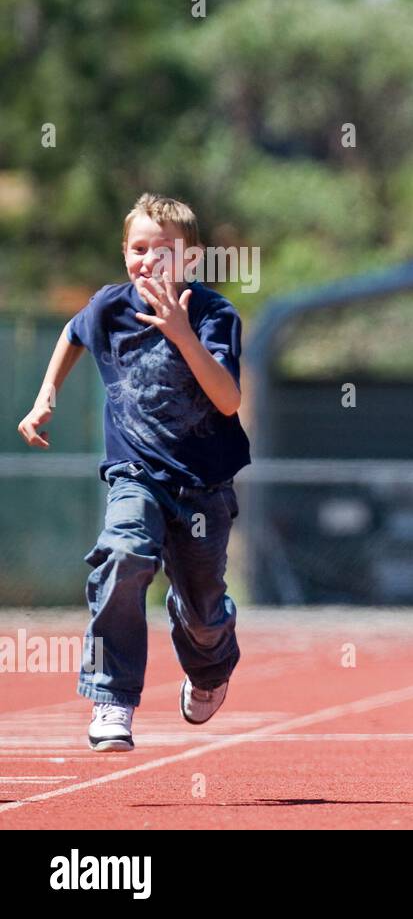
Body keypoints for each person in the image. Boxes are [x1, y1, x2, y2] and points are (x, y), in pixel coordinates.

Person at [17, 193, 251, 751]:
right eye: (139, 249)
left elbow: (226, 399)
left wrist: (181, 333)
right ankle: (112, 696)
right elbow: (72, 334)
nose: (150, 261)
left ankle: (209, 669)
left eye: (165, 251)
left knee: (202, 613)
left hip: (202, 489)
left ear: (191, 261)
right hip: (135, 474)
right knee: (121, 554)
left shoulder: (214, 315)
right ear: (125, 254)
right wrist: (46, 394)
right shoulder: (108, 307)